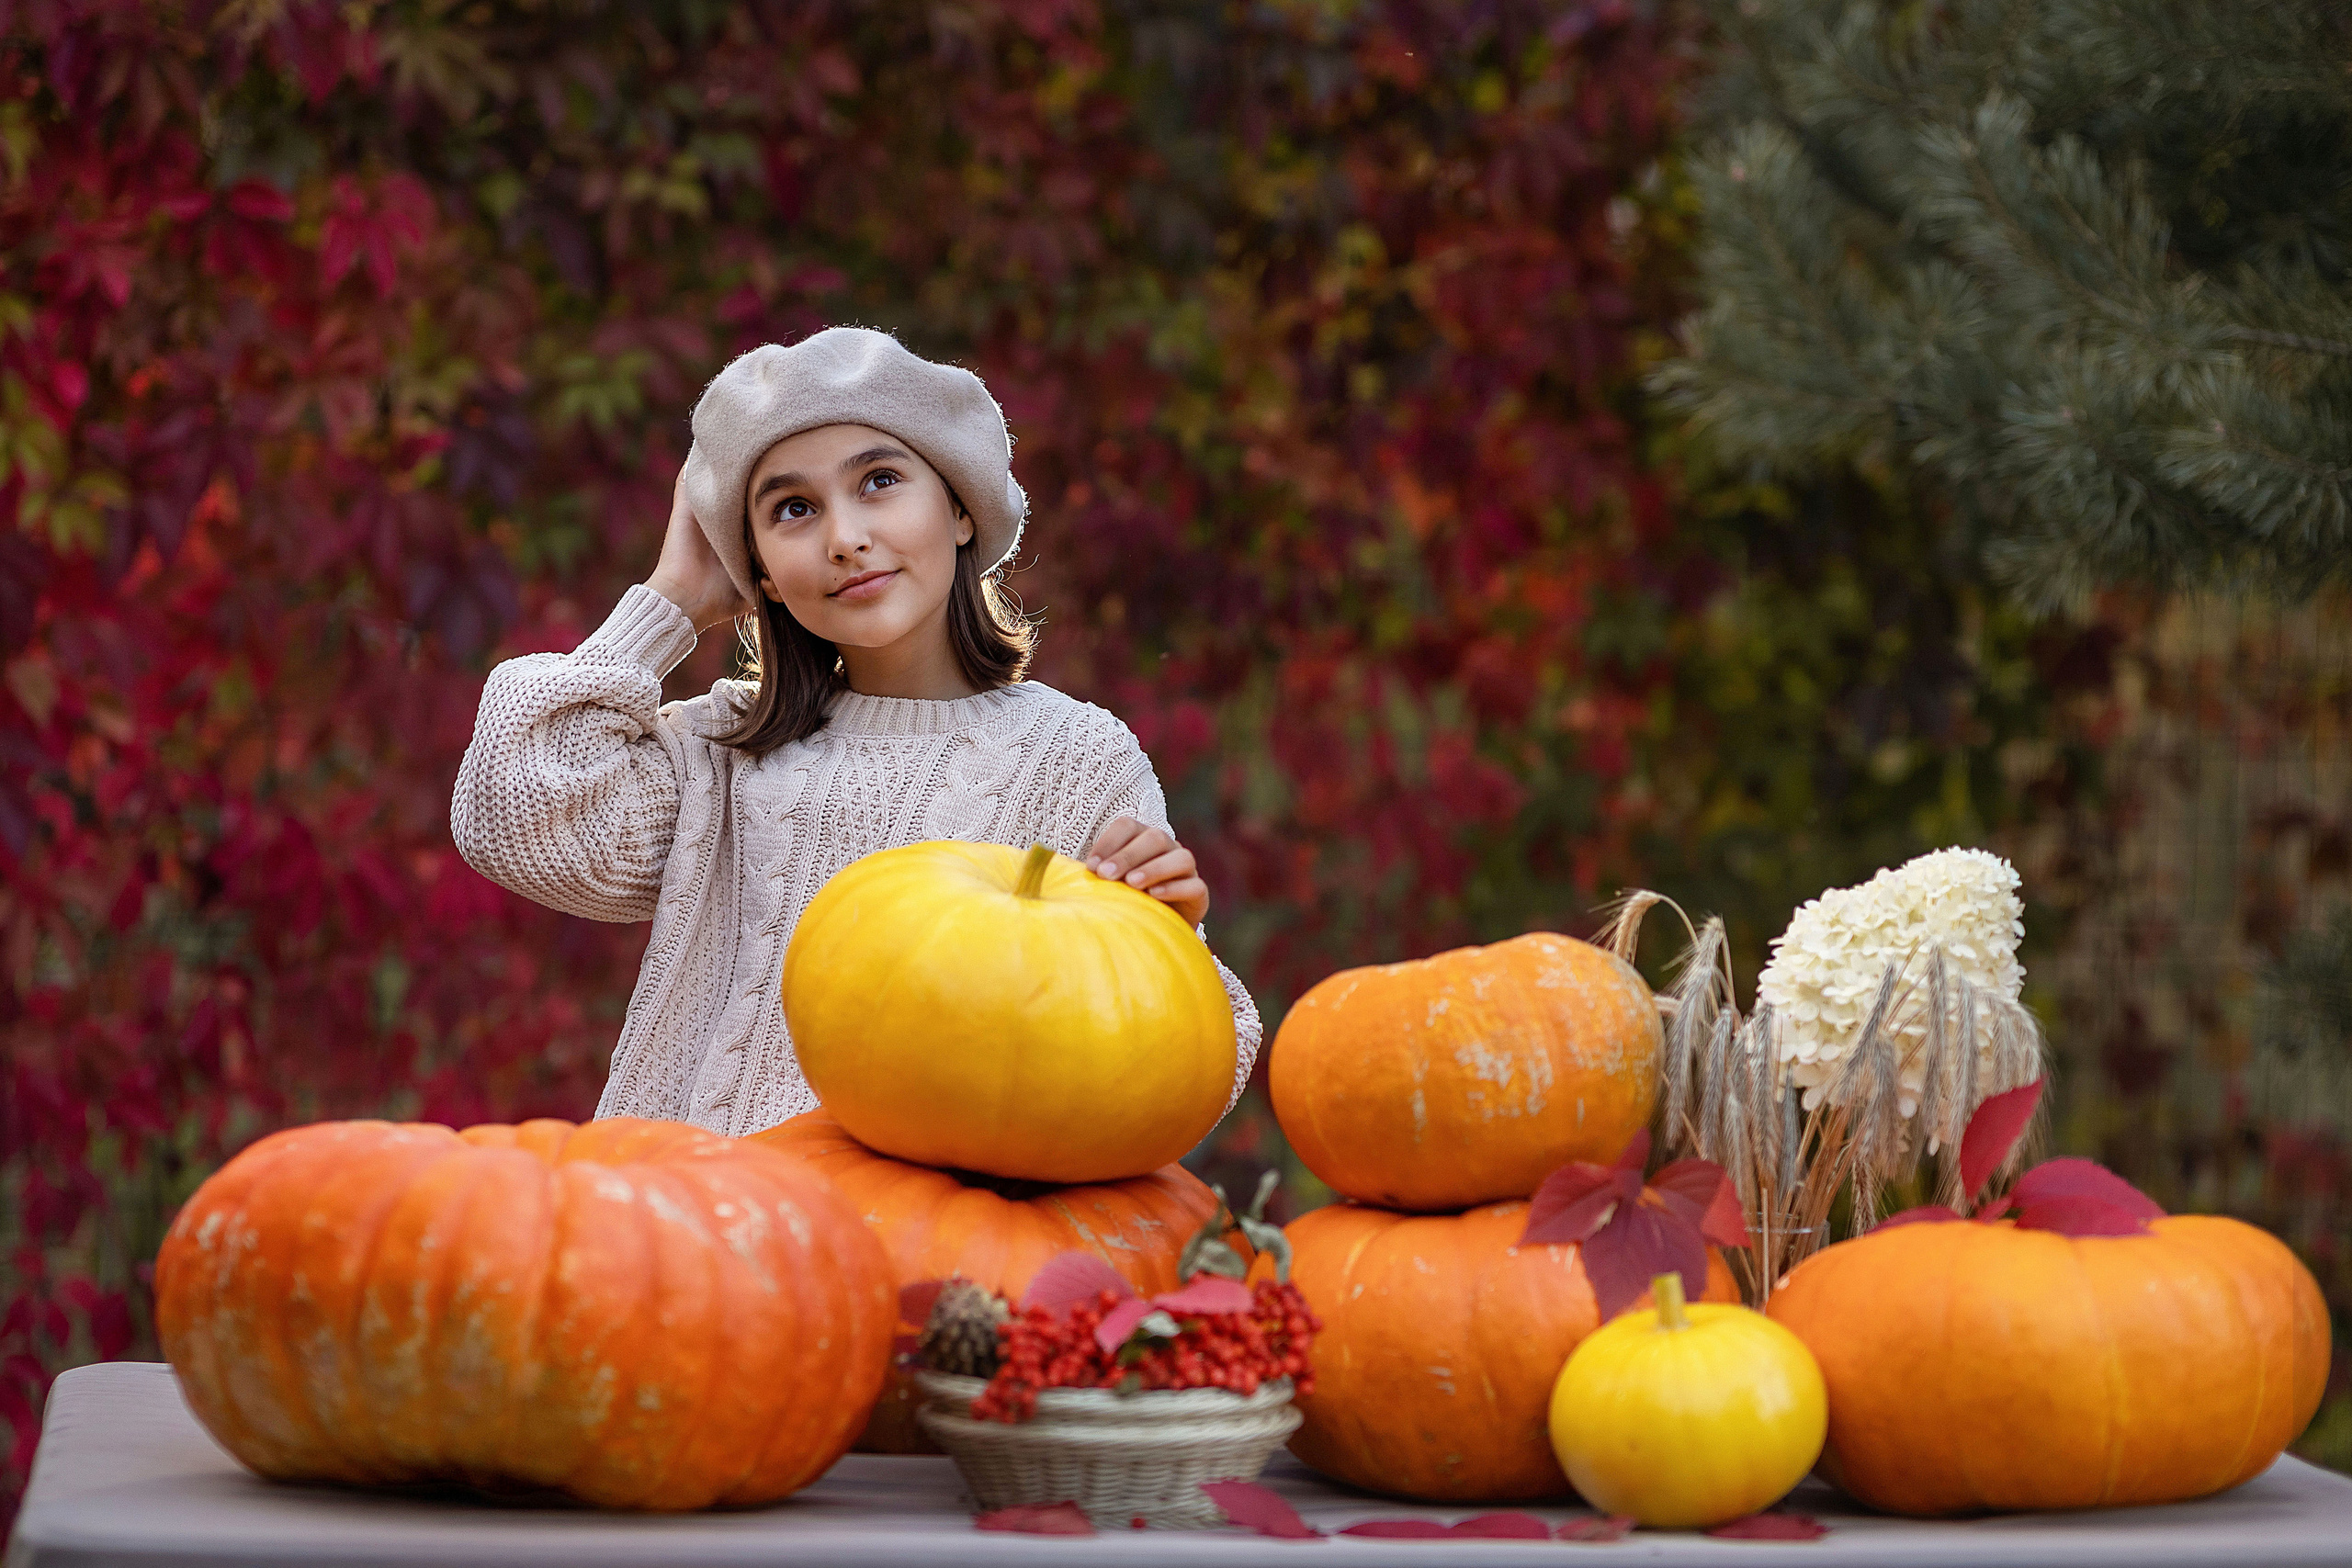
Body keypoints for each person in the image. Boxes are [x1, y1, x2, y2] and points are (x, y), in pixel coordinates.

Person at [451, 327, 1261, 1137]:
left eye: (878, 480)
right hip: (682, 1224)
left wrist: (1167, 936)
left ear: (957, 506)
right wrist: (674, 599)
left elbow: (1190, 1064)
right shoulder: (723, 754)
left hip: (912, 1250)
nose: (844, 538)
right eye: (793, 509)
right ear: (760, 568)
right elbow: (513, 815)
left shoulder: (1074, 762)